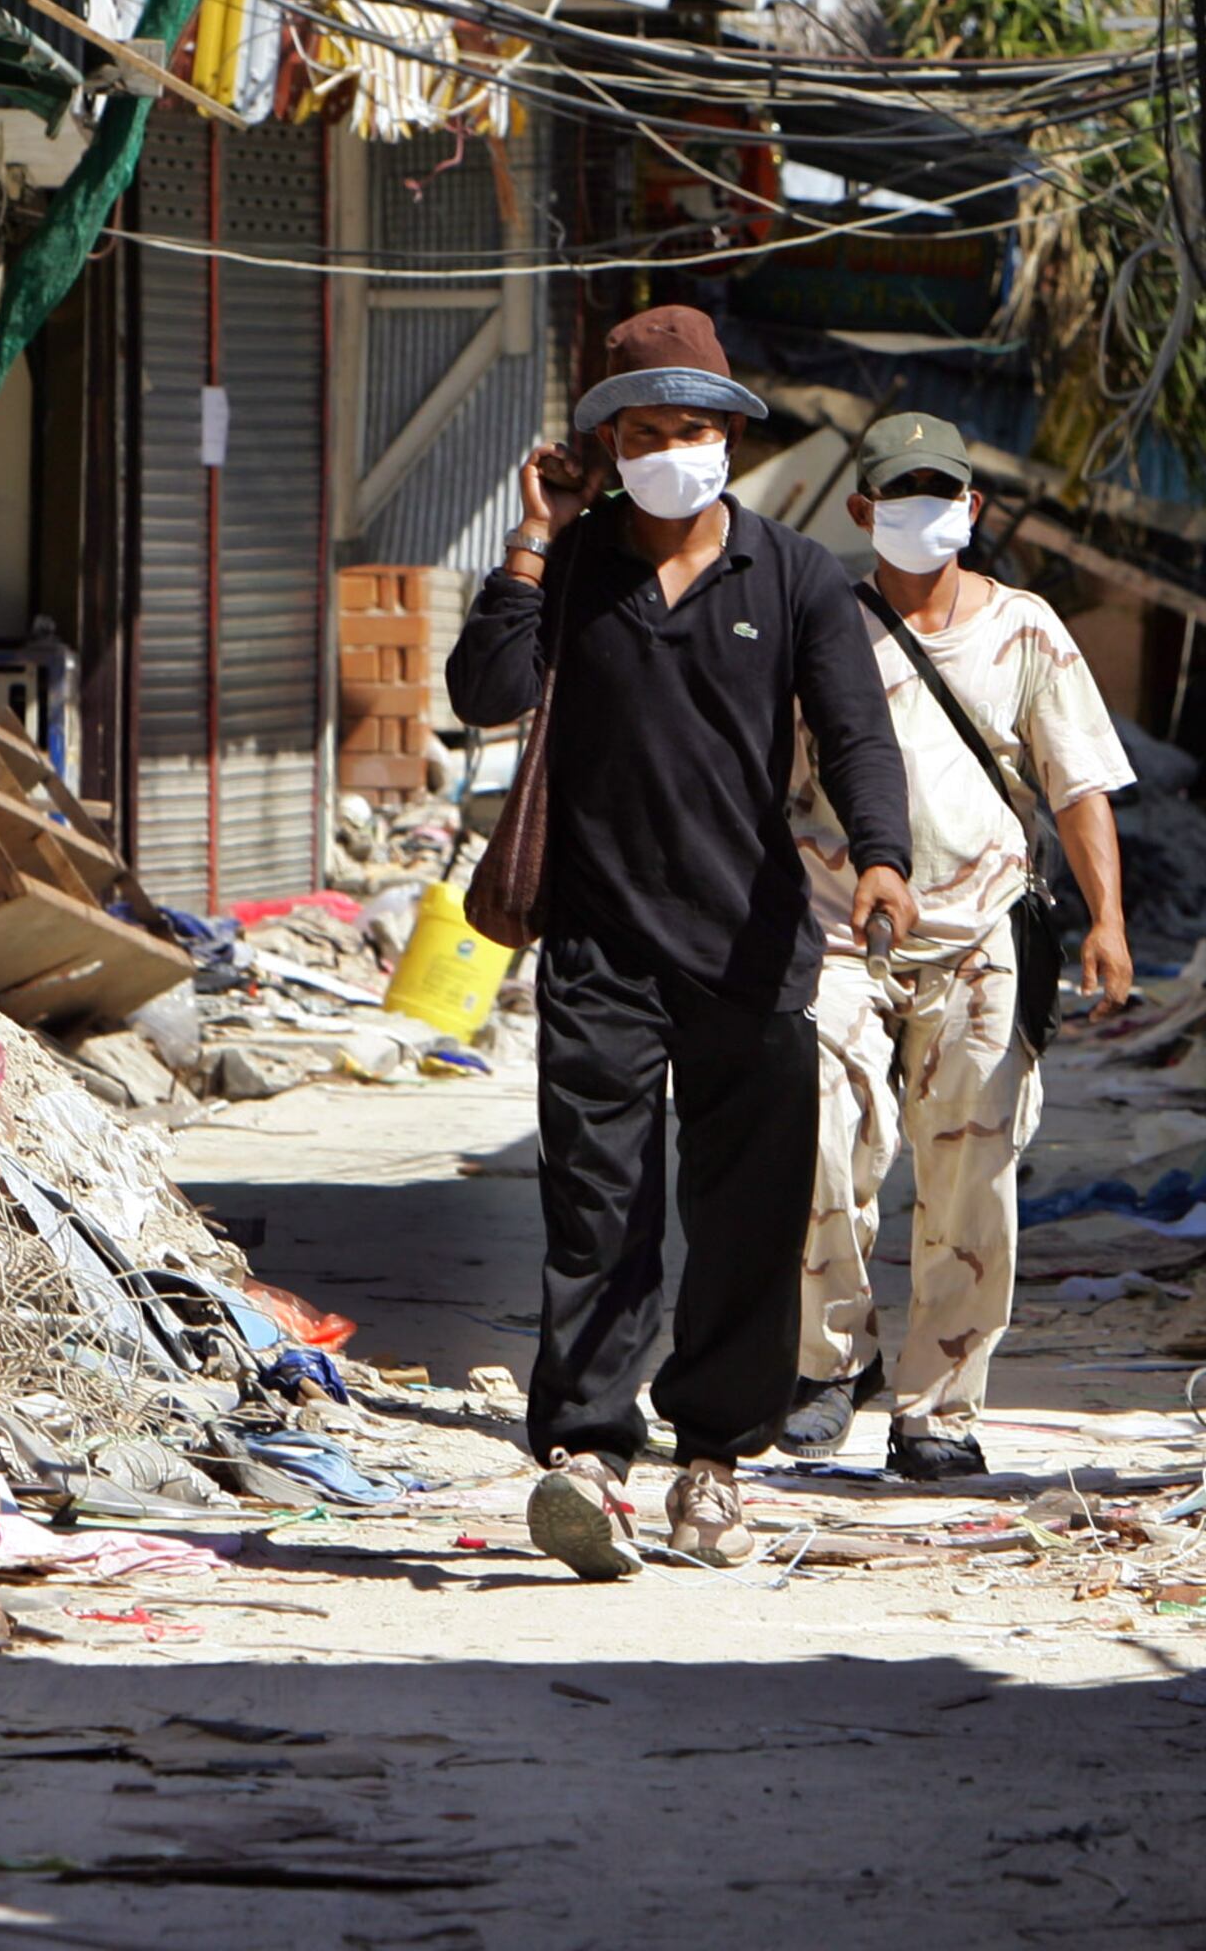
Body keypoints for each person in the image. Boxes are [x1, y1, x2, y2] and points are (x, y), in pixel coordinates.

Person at [446, 306, 917, 1579]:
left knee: (749, 1215)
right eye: (646, 431)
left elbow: (860, 735)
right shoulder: (579, 564)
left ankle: (713, 1460)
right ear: (606, 442)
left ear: (730, 438)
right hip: (601, 944)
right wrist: (536, 539)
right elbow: (483, 691)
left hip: (756, 947)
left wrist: (882, 857)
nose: (674, 451)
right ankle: (589, 1455)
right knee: (599, 1207)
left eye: (695, 429)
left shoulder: (801, 577)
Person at [783, 412, 1136, 1481]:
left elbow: (1076, 786)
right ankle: (831, 1360)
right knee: (811, 1121)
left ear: (974, 508)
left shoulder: (1026, 630)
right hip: (836, 921)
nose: (925, 511)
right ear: (861, 512)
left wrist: (1108, 920)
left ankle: (938, 1407)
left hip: (983, 927)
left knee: (973, 1166)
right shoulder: (822, 621)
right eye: (902, 493)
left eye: (944, 491)